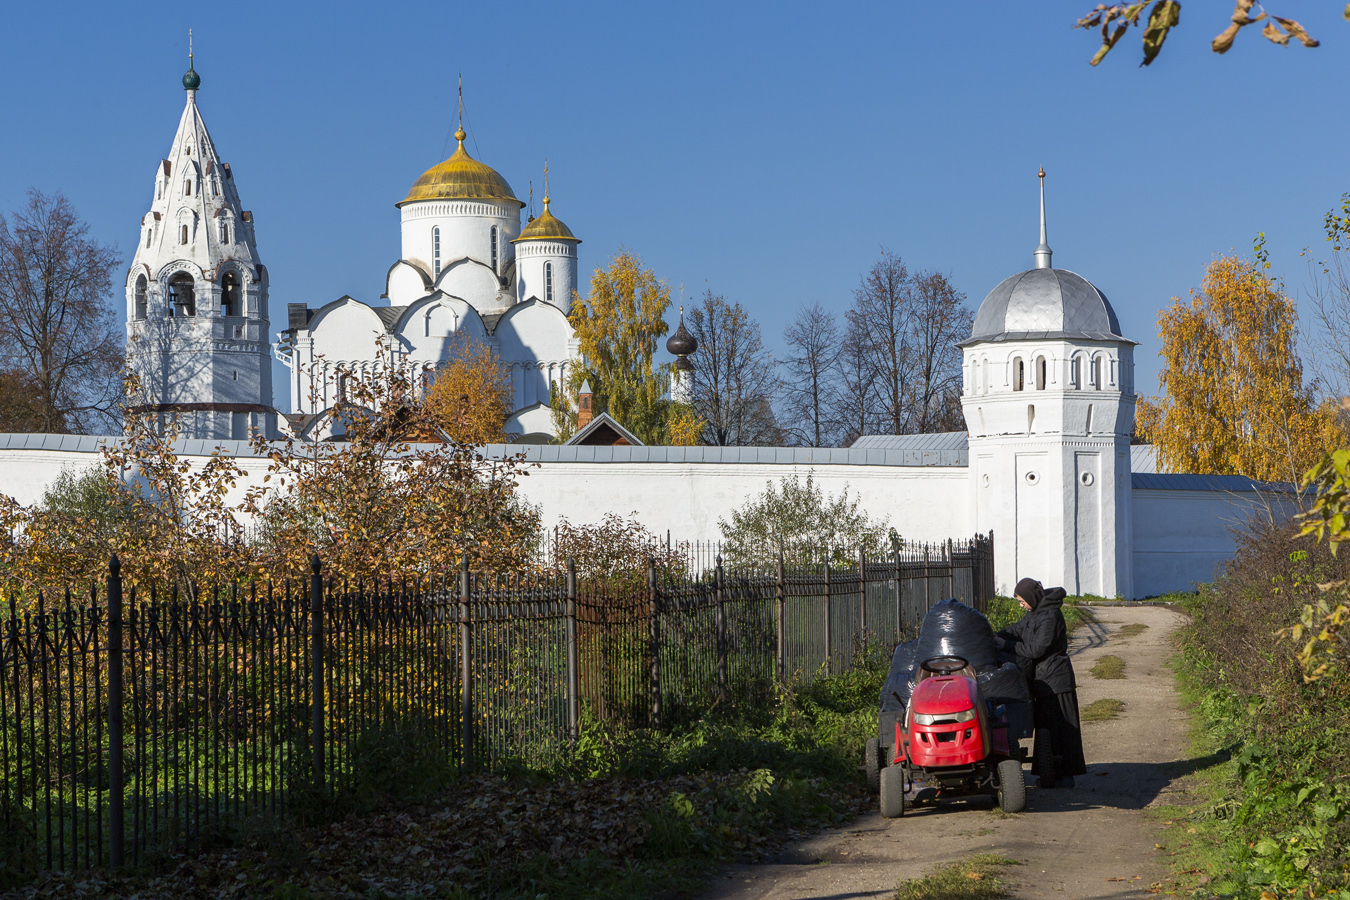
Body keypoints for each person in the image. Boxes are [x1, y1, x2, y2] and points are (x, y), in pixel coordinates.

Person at [994, 577, 1086, 788]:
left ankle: (1065, 776)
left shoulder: (1050, 616)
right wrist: (996, 635)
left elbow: (1036, 649)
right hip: (1043, 679)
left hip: (1056, 680)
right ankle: (1050, 774)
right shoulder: (1035, 612)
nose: (1021, 605)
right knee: (1046, 727)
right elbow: (1018, 629)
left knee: (1062, 728)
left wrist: (1006, 645)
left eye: (1022, 601)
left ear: (1031, 597)